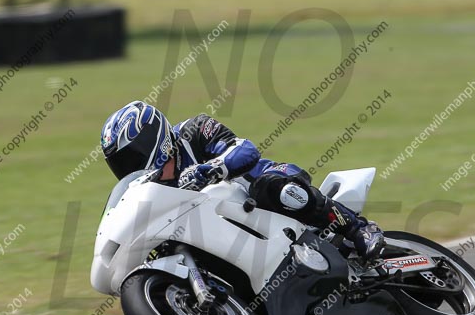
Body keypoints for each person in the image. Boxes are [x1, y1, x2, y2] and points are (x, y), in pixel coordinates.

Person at [100, 101, 384, 260]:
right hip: (229, 229)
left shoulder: (194, 130)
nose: (129, 168)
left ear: (153, 140)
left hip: (263, 186)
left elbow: (245, 149)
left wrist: (211, 169)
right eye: (120, 164)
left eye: (131, 158)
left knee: (275, 190)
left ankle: (358, 228)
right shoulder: (150, 189)